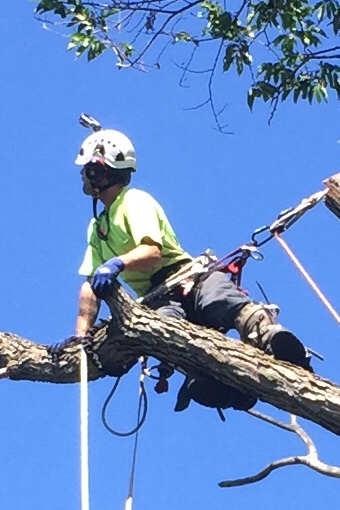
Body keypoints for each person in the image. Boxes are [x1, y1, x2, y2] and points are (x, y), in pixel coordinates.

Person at [70, 123, 311, 398]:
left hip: (189, 277)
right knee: (164, 333)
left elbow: (151, 253)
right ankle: (211, 379)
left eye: (85, 169)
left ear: (97, 171)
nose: (81, 175)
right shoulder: (97, 228)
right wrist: (81, 337)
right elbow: (91, 283)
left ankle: (274, 342)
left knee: (223, 302)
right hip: (157, 299)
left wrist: (116, 264)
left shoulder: (134, 202)